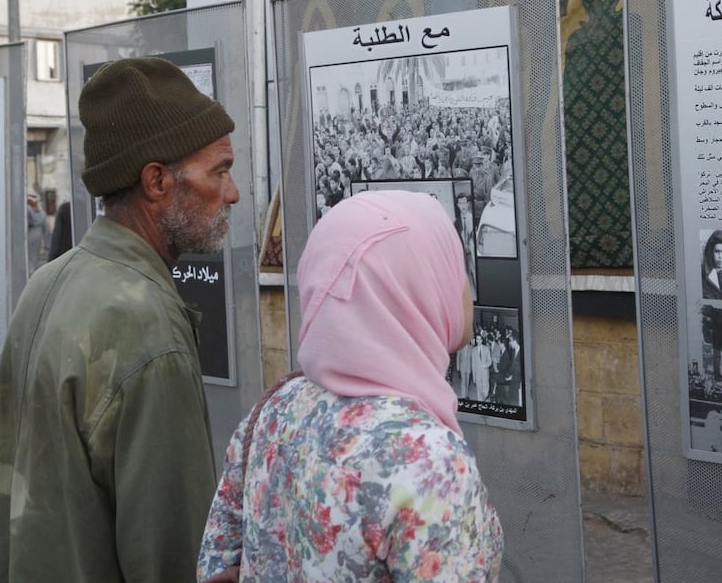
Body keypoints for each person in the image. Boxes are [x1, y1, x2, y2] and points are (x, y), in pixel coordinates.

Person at [0, 57, 238, 583]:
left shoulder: (48, 283)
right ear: (157, 181)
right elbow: (173, 555)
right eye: (219, 170)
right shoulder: (147, 326)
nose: (232, 192)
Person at [198, 190, 503, 582]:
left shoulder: (273, 409)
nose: (465, 288)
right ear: (410, 287)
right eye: (452, 266)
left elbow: (216, 563)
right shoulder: (429, 461)